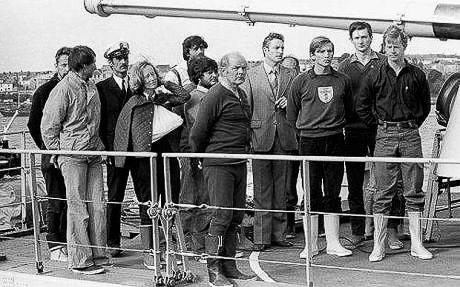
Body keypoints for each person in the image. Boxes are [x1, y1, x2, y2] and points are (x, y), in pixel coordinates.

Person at [356, 25, 432, 262]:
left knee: (413, 189)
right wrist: (380, 125)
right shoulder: (374, 74)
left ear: (404, 46)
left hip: (410, 135)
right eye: (388, 46)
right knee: (383, 191)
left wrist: (410, 126)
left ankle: (416, 244)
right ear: (384, 46)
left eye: (396, 46)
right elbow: (362, 106)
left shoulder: (417, 75)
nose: (392, 50)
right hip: (384, 135)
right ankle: (378, 246)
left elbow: (425, 107)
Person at [113, 60, 190, 269]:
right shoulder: (134, 102)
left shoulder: (161, 97)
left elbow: (184, 96)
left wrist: (166, 81)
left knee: (169, 199)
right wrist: (123, 160)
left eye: (153, 74)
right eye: (147, 75)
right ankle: (150, 250)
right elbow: (125, 133)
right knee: (148, 203)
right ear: (139, 79)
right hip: (144, 160)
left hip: (167, 155)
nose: (151, 78)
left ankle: (167, 247)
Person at [190, 52, 255, 286]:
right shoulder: (215, 95)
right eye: (236, 68)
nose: (241, 72)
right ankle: (214, 270)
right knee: (221, 215)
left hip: (237, 161)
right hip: (219, 164)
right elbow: (198, 131)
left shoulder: (241, 94)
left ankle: (229, 265)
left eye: (244, 68)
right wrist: (199, 157)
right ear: (223, 69)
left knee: (235, 215)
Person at [337, 22, 405, 249]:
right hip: (354, 129)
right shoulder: (344, 67)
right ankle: (358, 230)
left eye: (365, 37)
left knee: (390, 180)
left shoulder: (384, 62)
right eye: (357, 38)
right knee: (355, 182)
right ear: (351, 40)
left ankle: (392, 230)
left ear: (371, 38)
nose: (361, 41)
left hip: (381, 129)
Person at [41, 45, 106, 275]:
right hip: (73, 156)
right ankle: (80, 259)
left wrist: (99, 147)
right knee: (77, 208)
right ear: (83, 66)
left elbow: (96, 121)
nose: (96, 67)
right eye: (92, 64)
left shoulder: (91, 87)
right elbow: (48, 126)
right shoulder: (63, 90)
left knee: (98, 206)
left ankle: (99, 253)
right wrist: (59, 152)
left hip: (93, 154)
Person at [287, 36, 353, 258]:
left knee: (333, 192)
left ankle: (333, 242)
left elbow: (349, 110)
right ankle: (311, 244)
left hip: (335, 139)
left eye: (330, 51)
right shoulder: (300, 81)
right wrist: (306, 132)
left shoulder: (342, 80)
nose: (327, 55)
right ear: (313, 54)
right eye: (322, 51)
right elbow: (291, 114)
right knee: (311, 192)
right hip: (309, 141)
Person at [241, 33, 298, 251]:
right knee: (262, 189)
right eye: (276, 48)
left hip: (283, 136)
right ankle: (261, 237)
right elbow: (245, 107)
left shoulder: (291, 74)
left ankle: (279, 234)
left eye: (282, 48)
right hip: (260, 136)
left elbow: (298, 104)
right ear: (265, 50)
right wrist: (247, 138)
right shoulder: (251, 75)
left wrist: (289, 104)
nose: (280, 51)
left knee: (282, 188)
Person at [27, 46, 71, 261]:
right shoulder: (44, 91)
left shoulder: (76, 88)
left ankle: (69, 242)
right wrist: (48, 149)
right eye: (63, 64)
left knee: (72, 200)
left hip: (72, 155)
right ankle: (55, 246)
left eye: (70, 64)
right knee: (56, 201)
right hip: (52, 156)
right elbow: (33, 123)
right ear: (56, 66)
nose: (66, 68)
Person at [96, 41, 132, 257]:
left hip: (136, 150)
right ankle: (112, 241)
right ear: (110, 62)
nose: (123, 62)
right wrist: (105, 150)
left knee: (144, 194)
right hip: (115, 151)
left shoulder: (134, 85)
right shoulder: (102, 88)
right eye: (118, 58)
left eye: (125, 57)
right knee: (115, 196)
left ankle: (150, 240)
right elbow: (99, 122)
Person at [183, 55, 218, 257]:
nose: (213, 75)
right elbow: (200, 126)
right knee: (198, 199)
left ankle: (201, 244)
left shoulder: (209, 95)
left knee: (205, 199)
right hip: (198, 155)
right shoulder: (196, 97)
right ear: (198, 76)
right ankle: (197, 245)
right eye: (208, 72)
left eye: (214, 71)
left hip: (205, 154)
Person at [281, 54, 301, 239]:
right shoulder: (281, 87)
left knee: (312, 184)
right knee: (288, 185)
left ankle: (318, 224)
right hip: (290, 142)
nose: (288, 72)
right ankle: (288, 224)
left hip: (307, 139)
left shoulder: (304, 84)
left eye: (291, 68)